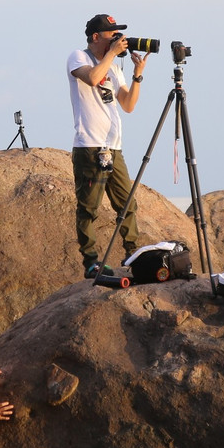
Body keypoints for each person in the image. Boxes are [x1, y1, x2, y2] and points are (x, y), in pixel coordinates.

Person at [67, 14, 150, 274]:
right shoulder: (78, 57)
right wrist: (112, 54)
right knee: (89, 207)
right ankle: (91, 262)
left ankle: (133, 254)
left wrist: (137, 75)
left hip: (114, 146)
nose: (118, 39)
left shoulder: (113, 67)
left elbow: (128, 105)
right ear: (95, 37)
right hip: (89, 146)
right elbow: (92, 79)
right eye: (111, 35)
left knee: (127, 204)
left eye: (118, 35)